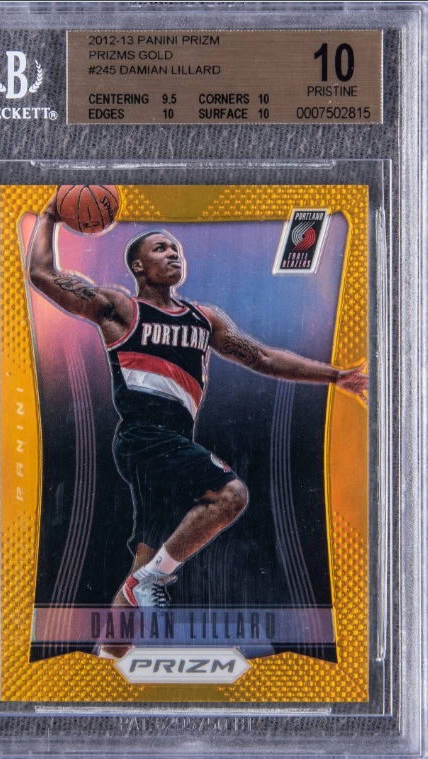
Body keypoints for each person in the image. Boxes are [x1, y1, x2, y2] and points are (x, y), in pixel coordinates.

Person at [28, 193, 368, 621]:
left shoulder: (204, 319)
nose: (174, 254)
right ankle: (153, 579)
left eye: (177, 249)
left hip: (171, 444)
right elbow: (42, 274)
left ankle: (110, 646)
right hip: (143, 437)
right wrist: (50, 214)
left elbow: (262, 357)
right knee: (232, 495)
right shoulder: (121, 309)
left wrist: (335, 376)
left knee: (142, 565)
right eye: (161, 248)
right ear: (139, 266)